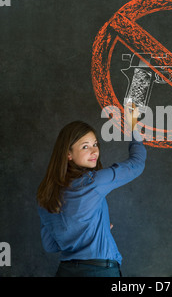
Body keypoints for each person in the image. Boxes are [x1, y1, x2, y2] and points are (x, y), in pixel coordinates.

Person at [37, 103, 146, 277]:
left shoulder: (45, 194)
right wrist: (133, 126)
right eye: (85, 146)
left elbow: (50, 246)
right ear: (68, 154)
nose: (95, 150)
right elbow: (137, 164)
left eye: (95, 144)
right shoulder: (93, 182)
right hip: (99, 271)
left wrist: (89, 232)